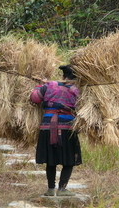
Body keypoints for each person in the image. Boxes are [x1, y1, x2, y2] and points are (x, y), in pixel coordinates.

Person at [30, 65, 82, 196]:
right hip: (68, 128)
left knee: (50, 158)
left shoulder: (49, 85)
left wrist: (38, 86)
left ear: (63, 77)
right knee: (70, 159)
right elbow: (82, 107)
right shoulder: (78, 91)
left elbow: (35, 98)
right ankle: (62, 189)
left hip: (47, 127)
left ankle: (51, 189)